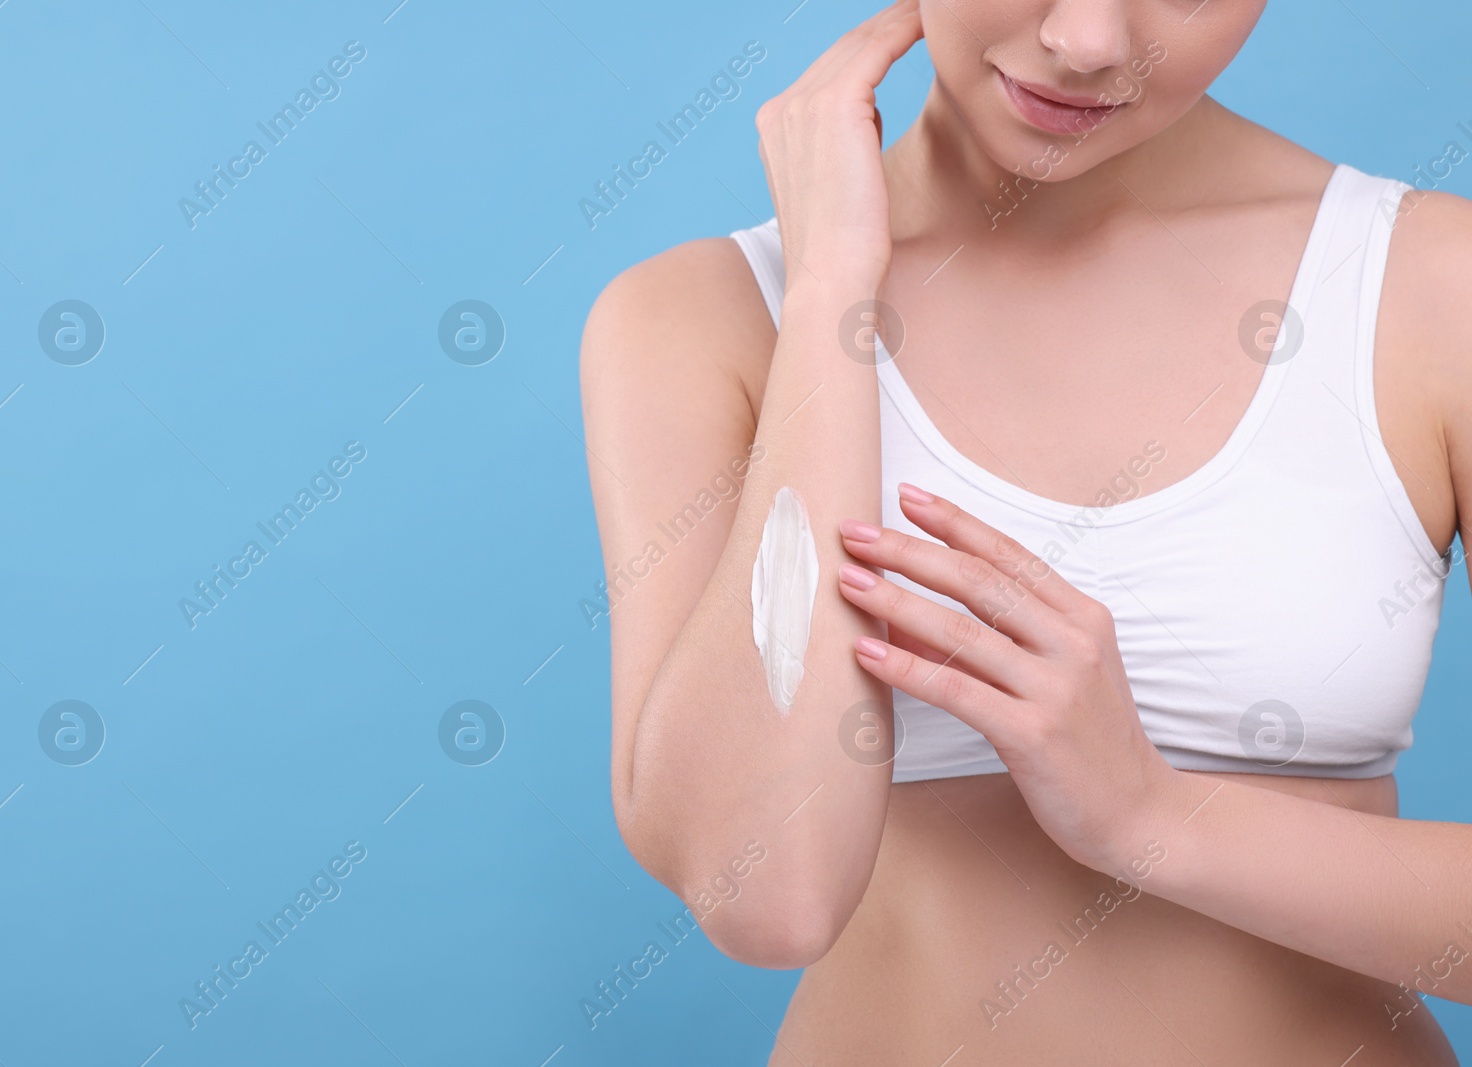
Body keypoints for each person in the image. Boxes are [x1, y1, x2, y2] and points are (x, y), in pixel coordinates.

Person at [579, 0, 1472, 1061]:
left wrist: (1149, 815)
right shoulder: (704, 318)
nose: (1088, 41)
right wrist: (830, 298)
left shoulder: (1428, 287)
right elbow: (766, 894)